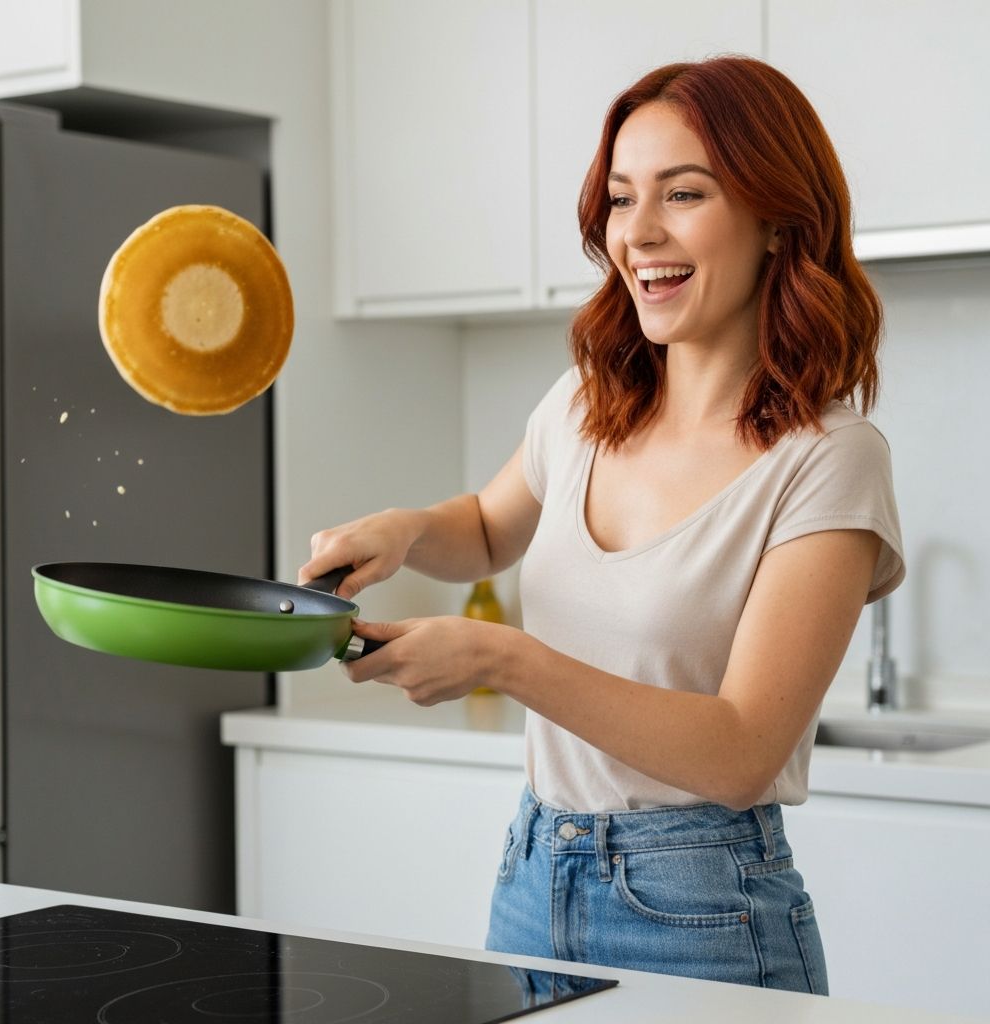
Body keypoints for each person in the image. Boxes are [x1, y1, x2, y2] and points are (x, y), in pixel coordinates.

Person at [299, 54, 904, 995]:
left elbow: (744, 752)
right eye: (622, 199)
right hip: (533, 873)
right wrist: (410, 529)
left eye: (685, 193)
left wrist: (503, 660)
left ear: (780, 218)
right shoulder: (588, 402)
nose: (641, 233)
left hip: (704, 906)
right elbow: (491, 529)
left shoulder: (829, 457)